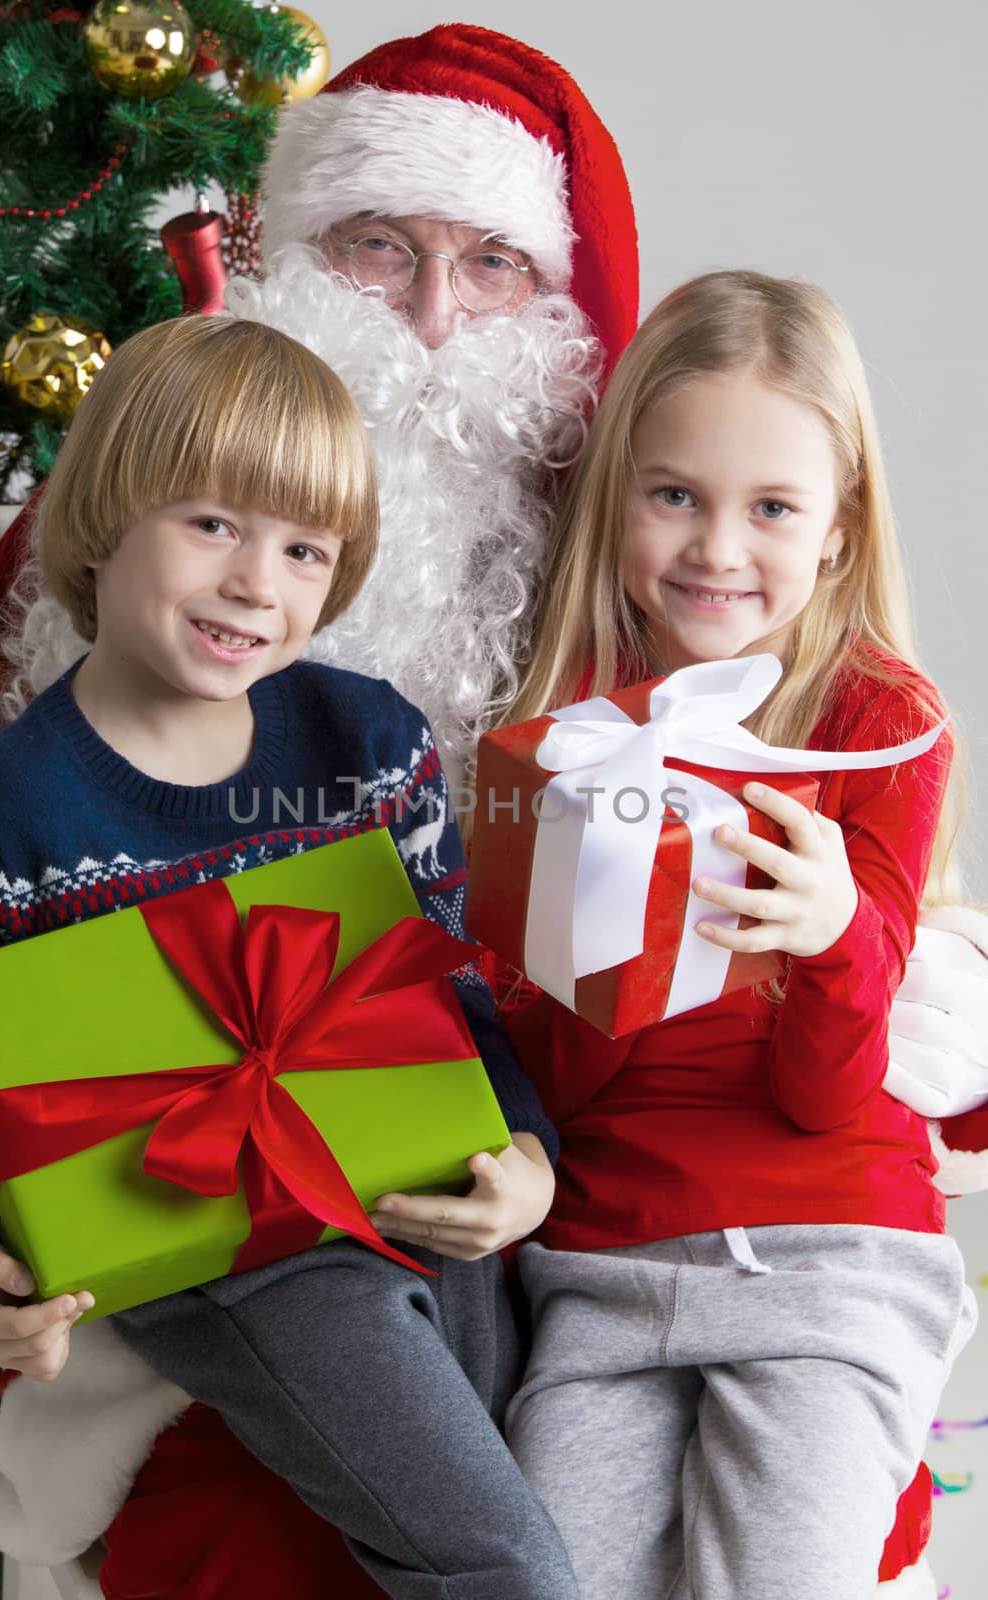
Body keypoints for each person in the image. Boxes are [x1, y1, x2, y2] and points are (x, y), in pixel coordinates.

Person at [0, 314, 578, 1600]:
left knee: (514, 1452)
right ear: (106, 514)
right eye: (211, 524)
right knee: (502, 1559)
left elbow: (450, 989)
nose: (254, 583)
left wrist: (525, 1154)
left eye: (302, 548)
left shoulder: (364, 738)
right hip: (222, 1243)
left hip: (406, 1177)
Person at [437, 268, 978, 1599]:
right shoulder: (558, 727)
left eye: (771, 509)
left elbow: (822, 1089)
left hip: (829, 1259)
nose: (716, 550)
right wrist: (591, 934)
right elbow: (563, 1092)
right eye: (673, 494)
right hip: (608, 1266)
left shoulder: (874, 721)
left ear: (838, 531)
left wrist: (836, 931)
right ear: (616, 493)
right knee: (552, 1576)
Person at [0, 23, 638, 792]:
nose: (430, 319)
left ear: (547, 298)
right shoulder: (119, 489)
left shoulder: (602, 548)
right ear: (303, 255)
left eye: (491, 264)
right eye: (381, 247)